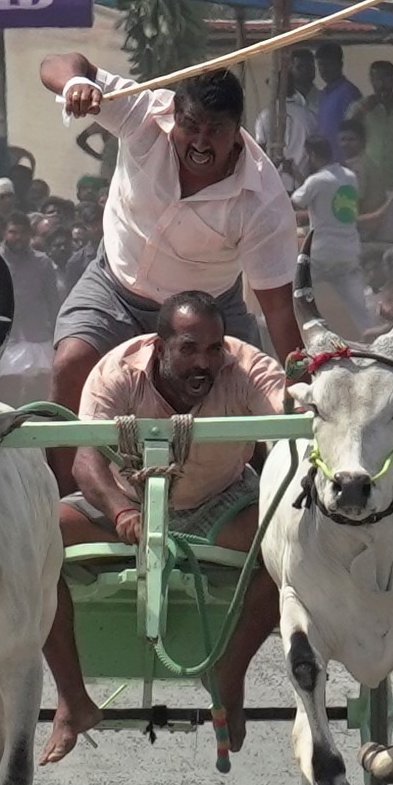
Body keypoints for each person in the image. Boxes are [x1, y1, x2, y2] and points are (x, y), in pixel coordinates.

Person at [41, 291, 285, 763]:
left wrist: (303, 395)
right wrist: (121, 512)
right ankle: (72, 699)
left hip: (224, 503)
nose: (204, 363)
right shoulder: (116, 374)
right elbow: (86, 462)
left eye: (214, 350)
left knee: (290, 543)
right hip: (124, 505)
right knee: (36, 540)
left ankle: (228, 676)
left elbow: (288, 417)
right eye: (188, 349)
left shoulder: (246, 367)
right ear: (159, 345)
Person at [40, 53, 303, 489]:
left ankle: (260, 514)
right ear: (172, 117)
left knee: (252, 402)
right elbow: (61, 63)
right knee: (70, 364)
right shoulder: (144, 112)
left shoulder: (264, 199)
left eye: (215, 131)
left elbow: (278, 311)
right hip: (115, 288)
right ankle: (66, 501)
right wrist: (73, 85)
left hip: (208, 310)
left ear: (237, 131)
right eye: (191, 127)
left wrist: (304, 387)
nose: (200, 143)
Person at [0, 211, 62, 405]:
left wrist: (56, 332)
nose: (17, 237)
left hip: (37, 336)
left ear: (30, 234)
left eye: (22, 232)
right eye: (13, 232)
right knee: (7, 392)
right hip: (5, 339)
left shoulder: (43, 262)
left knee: (40, 390)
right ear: (5, 233)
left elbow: (53, 301)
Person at [292, 134, 374, 336]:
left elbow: (296, 201)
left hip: (321, 252)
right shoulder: (350, 177)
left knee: (297, 292)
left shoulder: (316, 181)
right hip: (348, 251)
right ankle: (371, 340)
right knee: (357, 306)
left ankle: (294, 336)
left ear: (311, 155)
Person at [347, 61, 393, 244]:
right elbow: (347, 131)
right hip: (366, 184)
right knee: (361, 237)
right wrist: (363, 110)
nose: (381, 83)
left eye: (385, 77)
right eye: (376, 78)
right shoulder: (361, 108)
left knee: (390, 238)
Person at [252, 49, 318, 185]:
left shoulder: (265, 117)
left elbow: (259, 150)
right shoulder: (308, 116)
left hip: (274, 183)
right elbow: (315, 150)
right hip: (301, 180)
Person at [312, 42, 362, 151]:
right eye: (320, 65)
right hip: (326, 160)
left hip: (344, 161)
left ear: (340, 64)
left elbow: (354, 130)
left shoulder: (349, 92)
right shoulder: (323, 94)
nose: (324, 70)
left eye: (328, 64)